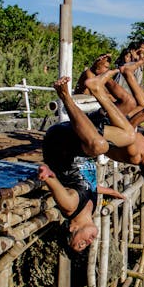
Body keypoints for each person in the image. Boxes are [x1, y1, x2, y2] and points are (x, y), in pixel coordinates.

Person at [41, 77, 128, 252]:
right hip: (76, 143)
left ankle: (65, 96)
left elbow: (59, 189)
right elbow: (88, 187)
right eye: (85, 246)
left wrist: (47, 177)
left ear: (72, 229)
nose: (87, 243)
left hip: (58, 144)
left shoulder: (70, 207)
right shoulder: (91, 210)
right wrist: (111, 192)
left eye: (79, 243)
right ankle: (98, 108)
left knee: (100, 146)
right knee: (128, 136)